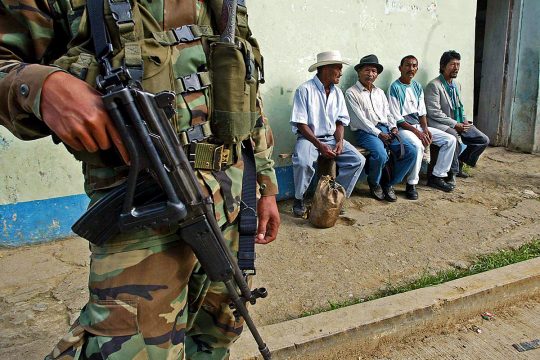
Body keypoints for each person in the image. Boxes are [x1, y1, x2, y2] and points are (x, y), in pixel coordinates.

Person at [0, 1, 280, 359]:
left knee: (217, 336)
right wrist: (41, 86)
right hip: (141, 204)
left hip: (231, 198)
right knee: (132, 352)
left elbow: (246, 88)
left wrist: (266, 185)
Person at [290, 50, 365, 217]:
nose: (341, 72)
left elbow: (340, 121)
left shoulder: (337, 93)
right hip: (309, 138)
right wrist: (319, 145)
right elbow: (301, 124)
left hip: (332, 138)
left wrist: (339, 141)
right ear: (325, 69)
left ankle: (334, 197)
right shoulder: (304, 90)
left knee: (358, 160)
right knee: (303, 162)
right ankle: (299, 199)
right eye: (338, 68)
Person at [345, 54, 417, 202]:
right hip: (366, 132)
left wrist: (393, 127)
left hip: (386, 130)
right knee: (381, 155)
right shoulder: (351, 93)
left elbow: (389, 113)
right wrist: (379, 134)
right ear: (359, 72)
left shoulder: (379, 93)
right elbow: (360, 120)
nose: (370, 74)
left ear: (377, 74)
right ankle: (374, 183)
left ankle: (389, 183)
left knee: (411, 151)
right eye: (367, 70)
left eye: (373, 71)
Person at [387, 55, 456, 198]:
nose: (411, 69)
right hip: (404, 129)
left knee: (450, 140)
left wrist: (425, 129)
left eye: (414, 66)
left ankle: (437, 176)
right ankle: (411, 184)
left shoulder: (417, 86)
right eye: (407, 65)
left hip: (418, 126)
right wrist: (418, 133)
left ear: (417, 69)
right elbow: (397, 119)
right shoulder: (394, 87)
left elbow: (422, 112)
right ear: (400, 68)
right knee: (418, 146)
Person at [425, 50, 490, 184]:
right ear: (443, 66)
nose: (456, 68)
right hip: (440, 123)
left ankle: (460, 161)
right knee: (453, 137)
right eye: (452, 64)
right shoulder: (434, 85)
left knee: (483, 139)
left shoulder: (456, 85)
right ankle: (452, 173)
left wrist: (464, 121)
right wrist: (455, 124)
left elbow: (460, 107)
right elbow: (434, 112)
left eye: (458, 65)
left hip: (458, 122)